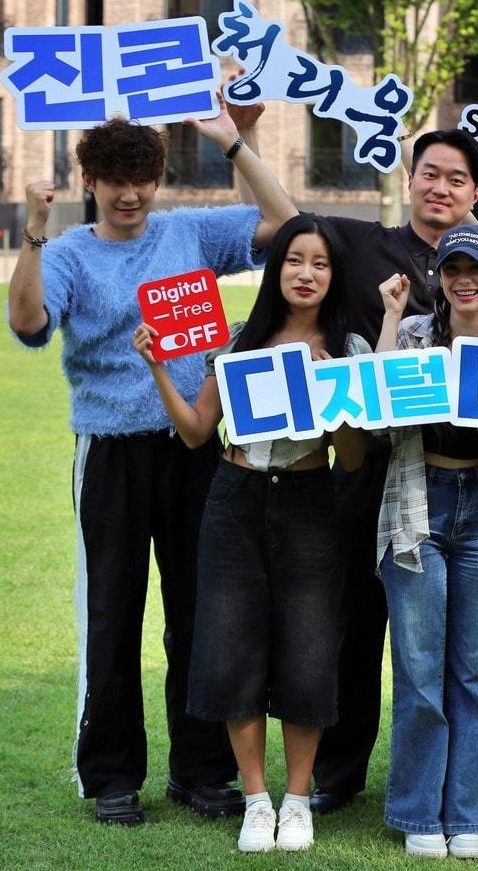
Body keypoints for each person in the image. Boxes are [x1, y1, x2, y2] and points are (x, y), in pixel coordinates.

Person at [226, 123, 478, 815]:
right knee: (353, 625)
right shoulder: (367, 243)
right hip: (367, 460)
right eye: (431, 173)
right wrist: (237, 143)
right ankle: (339, 774)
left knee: (466, 656)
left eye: (457, 179)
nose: (441, 187)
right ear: (410, 177)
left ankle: (462, 796)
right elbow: (289, 221)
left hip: (462, 478)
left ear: (476, 195)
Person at [6, 102, 295, 825]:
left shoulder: (187, 231)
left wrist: (235, 143)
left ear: (159, 180)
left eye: (142, 180)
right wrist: (34, 232)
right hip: (110, 452)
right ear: (90, 181)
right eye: (115, 181)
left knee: (202, 612)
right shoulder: (68, 252)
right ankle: (112, 775)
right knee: (112, 611)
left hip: (193, 447)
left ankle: (201, 771)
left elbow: (285, 225)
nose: (130, 195)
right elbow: (28, 323)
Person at [130, 213, 368, 852]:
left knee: (309, 651)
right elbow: (195, 432)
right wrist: (157, 366)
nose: (306, 274)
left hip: (309, 501)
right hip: (233, 500)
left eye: (320, 264)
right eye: (294, 260)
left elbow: (351, 458)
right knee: (232, 648)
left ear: (334, 275)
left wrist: (332, 391)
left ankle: (298, 800)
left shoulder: (348, 349)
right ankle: (256, 800)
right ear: (275, 268)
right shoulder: (240, 339)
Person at [373, 225, 478, 859]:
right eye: (452, 270)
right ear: (438, 278)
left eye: (476, 268)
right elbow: (378, 413)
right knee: (419, 670)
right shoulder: (414, 336)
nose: (464, 280)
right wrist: (391, 317)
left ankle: (467, 814)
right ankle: (419, 814)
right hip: (417, 508)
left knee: (476, 672)